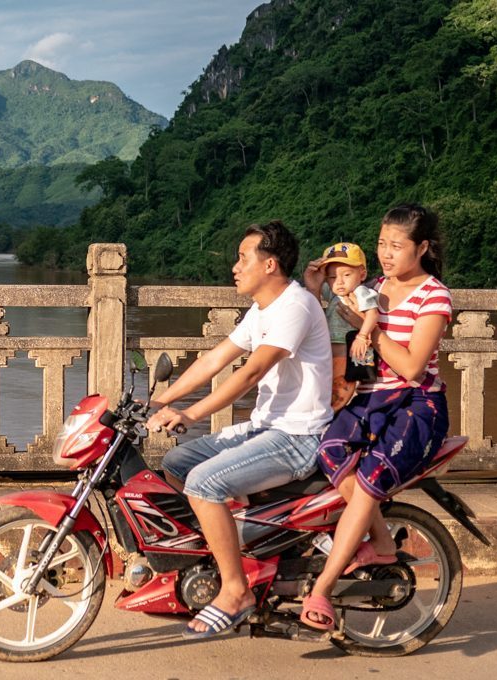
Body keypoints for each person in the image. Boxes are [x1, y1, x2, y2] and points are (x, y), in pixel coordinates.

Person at [146, 220, 333, 640]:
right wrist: (160, 400)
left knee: (202, 482)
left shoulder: (296, 306)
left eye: (243, 258)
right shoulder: (262, 309)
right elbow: (215, 360)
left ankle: (235, 591)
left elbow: (250, 373)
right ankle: (232, 552)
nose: (235, 266)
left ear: (270, 264)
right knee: (177, 461)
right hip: (266, 427)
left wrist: (189, 415)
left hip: (297, 437)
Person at [297, 204, 452, 631]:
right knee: (329, 452)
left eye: (396, 246)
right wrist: (315, 289)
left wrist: (371, 330)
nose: (386, 253)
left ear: (421, 248)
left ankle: (322, 590)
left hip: (416, 406)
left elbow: (413, 367)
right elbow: (322, 322)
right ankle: (382, 541)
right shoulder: (374, 286)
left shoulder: (433, 295)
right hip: (369, 399)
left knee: (369, 480)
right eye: (382, 243)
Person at [315, 242, 381, 411]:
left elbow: (373, 314)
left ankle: (330, 417)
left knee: (342, 388)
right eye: (332, 277)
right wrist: (311, 278)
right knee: (323, 387)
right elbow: (316, 290)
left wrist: (362, 335)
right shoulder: (334, 293)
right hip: (329, 349)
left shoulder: (361, 292)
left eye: (346, 275)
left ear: (362, 274)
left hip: (347, 349)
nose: (339, 282)